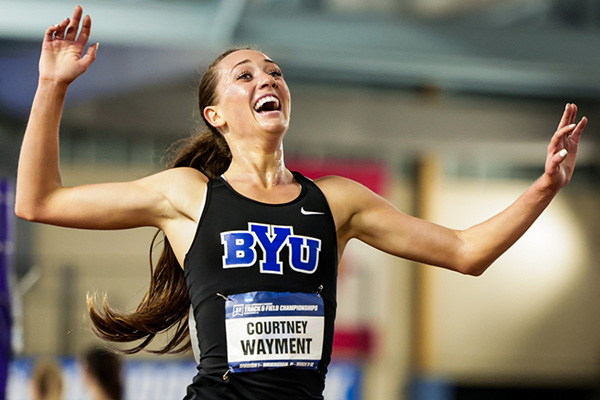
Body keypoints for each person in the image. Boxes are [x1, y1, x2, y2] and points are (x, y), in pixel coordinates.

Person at [14, 5, 587, 400]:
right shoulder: (187, 194)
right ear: (217, 116)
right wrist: (52, 86)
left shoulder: (337, 202)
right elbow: (39, 201)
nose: (267, 78)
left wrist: (544, 186)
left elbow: (466, 251)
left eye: (275, 72)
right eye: (245, 74)